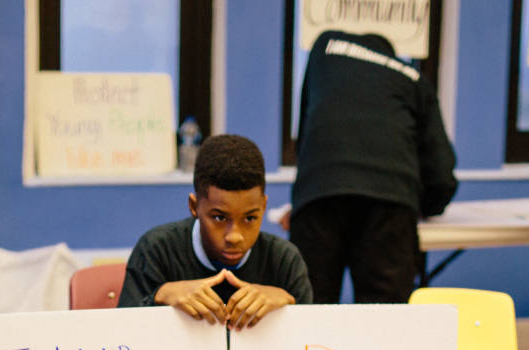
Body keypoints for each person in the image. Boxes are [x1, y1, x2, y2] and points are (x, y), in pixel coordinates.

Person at [287, 30, 457, 304]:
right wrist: (425, 206)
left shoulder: (324, 47)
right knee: (384, 321)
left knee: (309, 310)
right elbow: (441, 173)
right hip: (390, 202)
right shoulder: (413, 78)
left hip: (320, 196)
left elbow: (307, 133)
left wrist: (303, 200)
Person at [119, 134, 312, 328]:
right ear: (194, 206)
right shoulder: (156, 250)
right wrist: (160, 295)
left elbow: (311, 344)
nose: (234, 236)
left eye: (250, 218)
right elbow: (120, 338)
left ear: (264, 206)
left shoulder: (284, 260)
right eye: (220, 218)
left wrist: (289, 304)